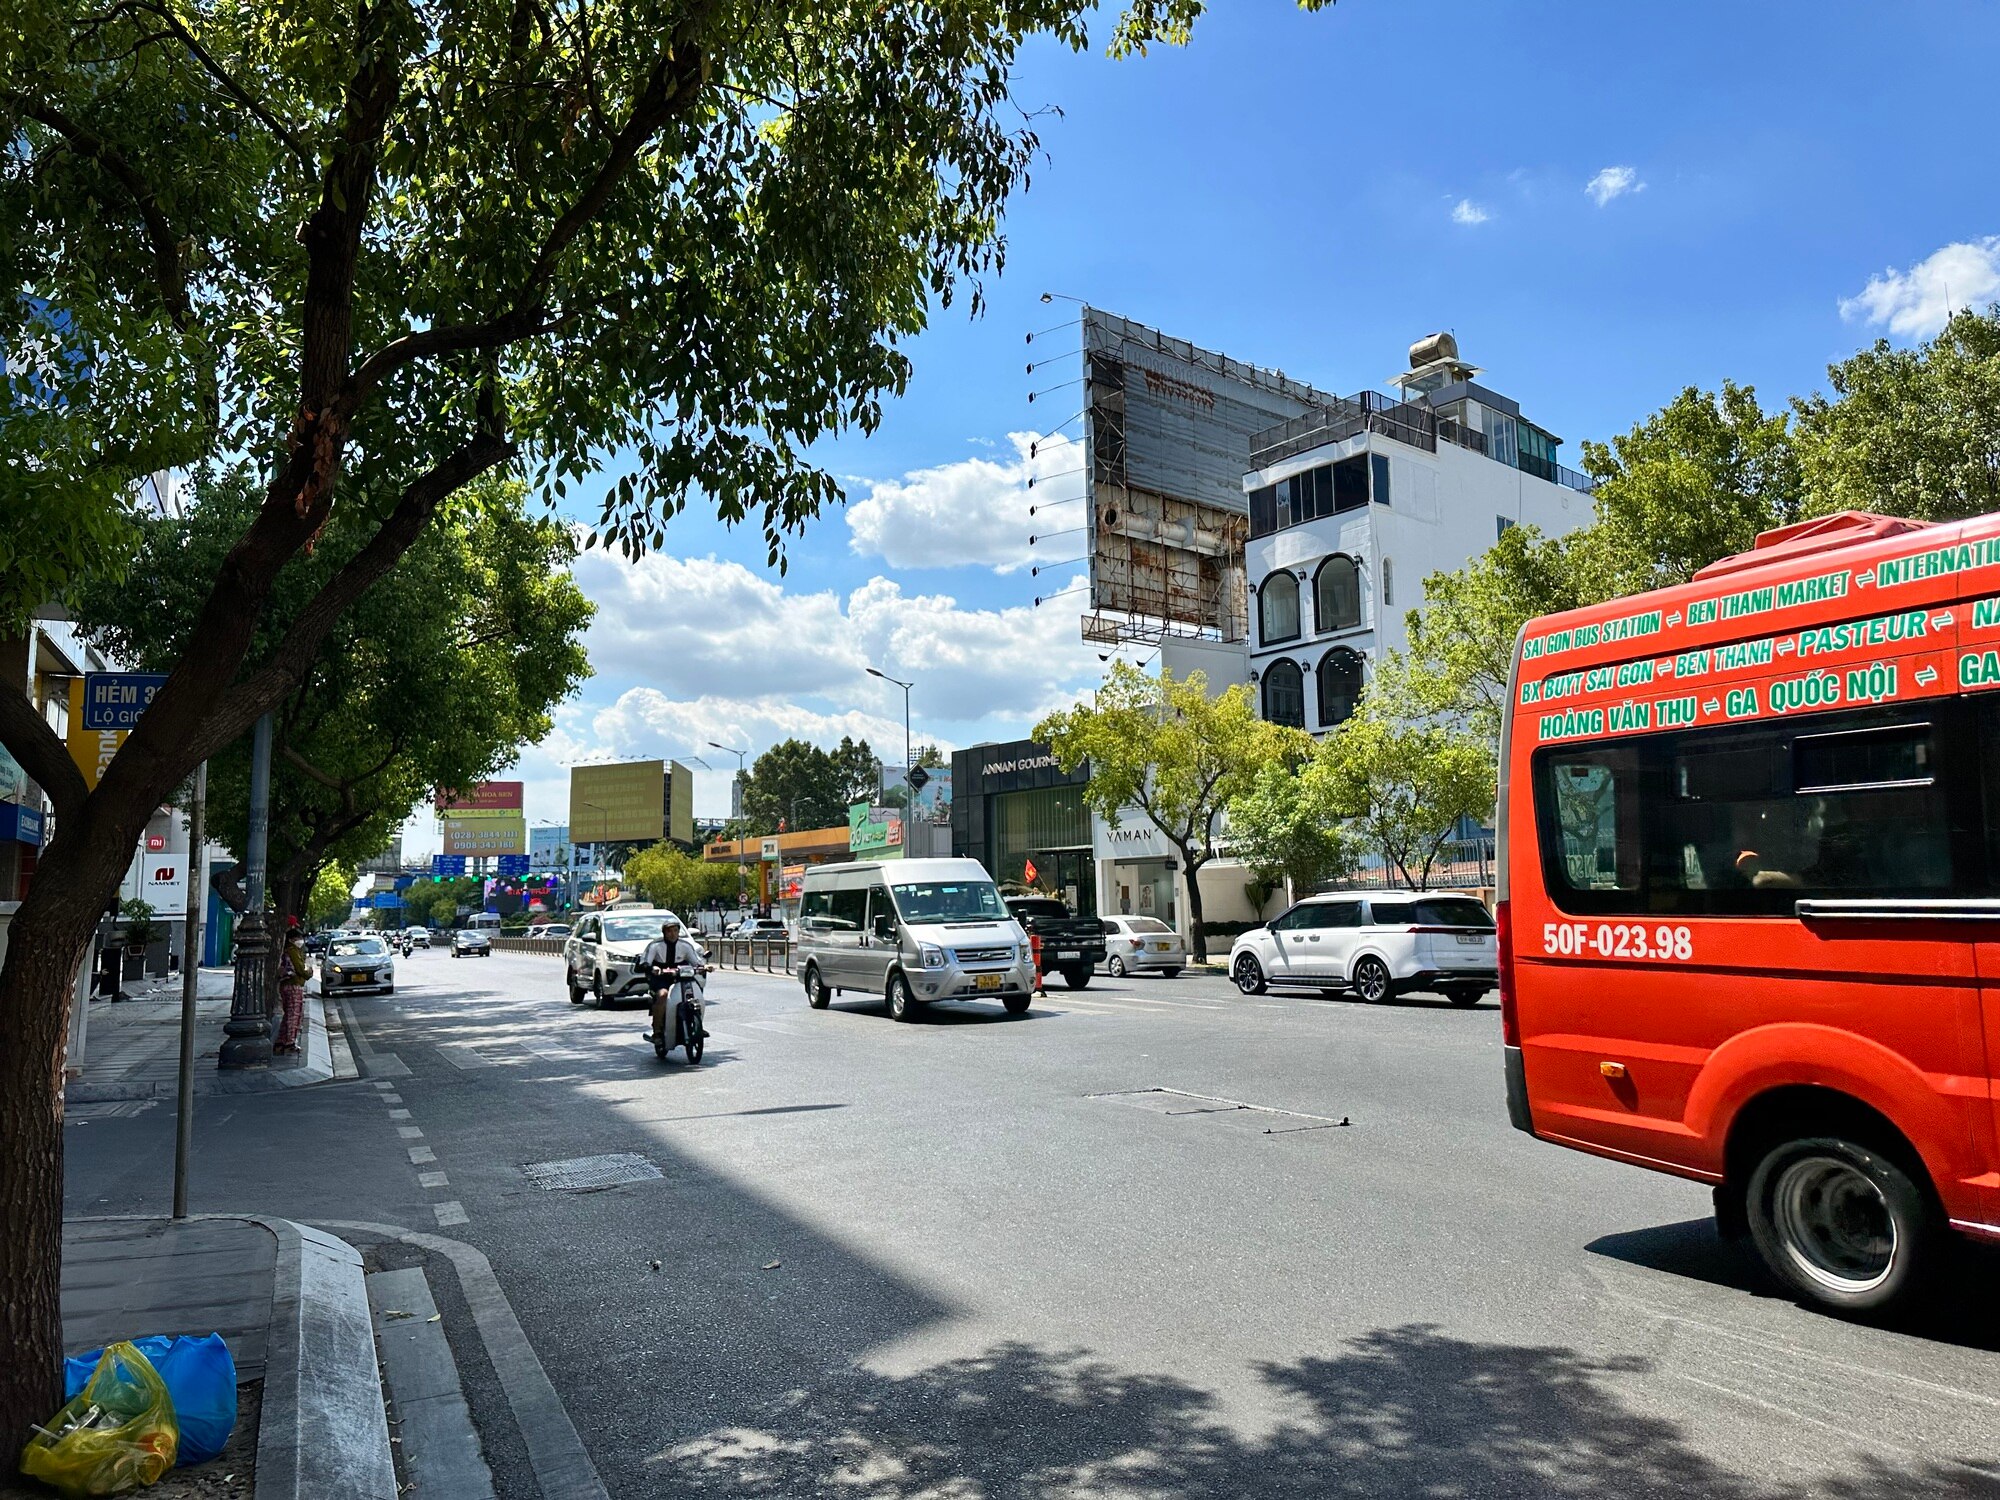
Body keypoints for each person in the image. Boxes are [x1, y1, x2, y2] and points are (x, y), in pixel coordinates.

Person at [641, 917, 704, 1047]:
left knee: (696, 993)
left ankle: (698, 1025)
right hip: (661, 979)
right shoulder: (655, 946)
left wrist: (704, 967)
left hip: (682, 978)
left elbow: (696, 961)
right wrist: (653, 968)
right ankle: (657, 1032)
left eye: (675, 930)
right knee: (663, 995)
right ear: (664, 932)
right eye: (669, 931)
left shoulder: (685, 946)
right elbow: (644, 962)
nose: (673, 934)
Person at [276, 916, 311, 1055]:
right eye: (298, 938)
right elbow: (300, 969)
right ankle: (289, 1042)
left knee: (289, 1014)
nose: (300, 941)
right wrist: (308, 972)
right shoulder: (292, 950)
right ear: (291, 939)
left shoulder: (288, 950)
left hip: (288, 985)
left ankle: (281, 1041)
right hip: (293, 985)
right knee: (293, 1014)